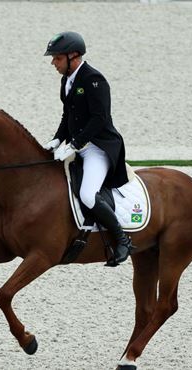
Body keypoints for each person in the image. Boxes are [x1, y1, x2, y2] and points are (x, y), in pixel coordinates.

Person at [42, 31, 133, 266]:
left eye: (57, 58)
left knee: (87, 194)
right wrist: (57, 139)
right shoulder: (67, 80)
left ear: (73, 56)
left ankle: (122, 240)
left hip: (98, 147)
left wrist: (74, 143)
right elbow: (68, 116)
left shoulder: (95, 80)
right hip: (79, 144)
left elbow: (99, 119)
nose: (53, 63)